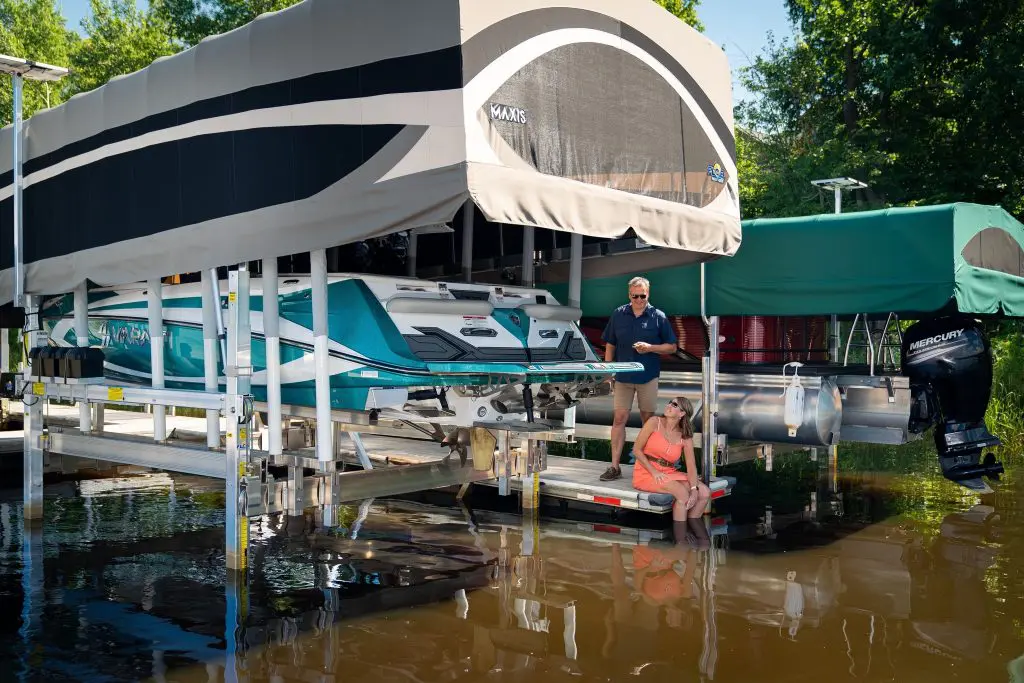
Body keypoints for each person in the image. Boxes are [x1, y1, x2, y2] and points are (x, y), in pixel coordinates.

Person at [599, 276, 678, 481]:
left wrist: (650, 348)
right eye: (635, 296)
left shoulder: (658, 316)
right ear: (629, 295)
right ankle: (615, 467)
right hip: (623, 376)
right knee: (619, 419)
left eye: (643, 296)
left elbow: (672, 346)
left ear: (648, 294)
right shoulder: (619, 314)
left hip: (648, 376)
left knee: (648, 421)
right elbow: (610, 344)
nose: (639, 300)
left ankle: (647, 465)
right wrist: (609, 370)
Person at [631, 397, 710, 520]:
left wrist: (694, 489)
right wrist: (654, 472)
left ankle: (693, 529)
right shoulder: (654, 422)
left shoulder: (685, 435)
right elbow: (636, 450)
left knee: (704, 492)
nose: (669, 406)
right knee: (682, 492)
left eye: (674, 405)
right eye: (670, 403)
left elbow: (691, 465)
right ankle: (680, 535)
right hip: (647, 472)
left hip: (668, 472)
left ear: (682, 413)